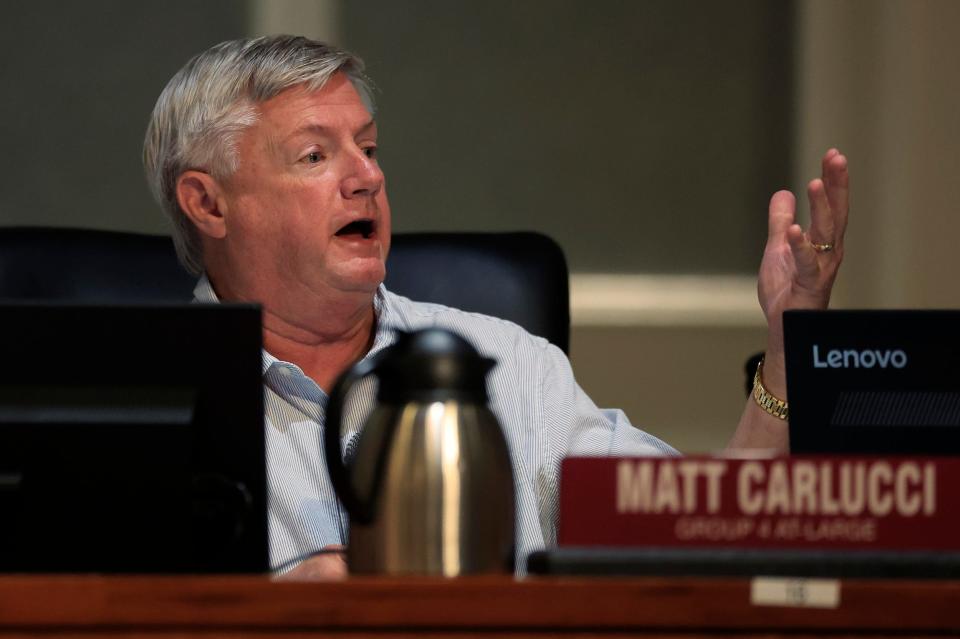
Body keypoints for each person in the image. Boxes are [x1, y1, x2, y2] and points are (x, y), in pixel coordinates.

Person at [143, 36, 849, 579]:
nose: (367, 177)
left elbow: (694, 536)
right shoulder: (146, 398)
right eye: (314, 157)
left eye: (368, 148)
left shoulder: (510, 365)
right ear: (208, 203)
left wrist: (787, 357)